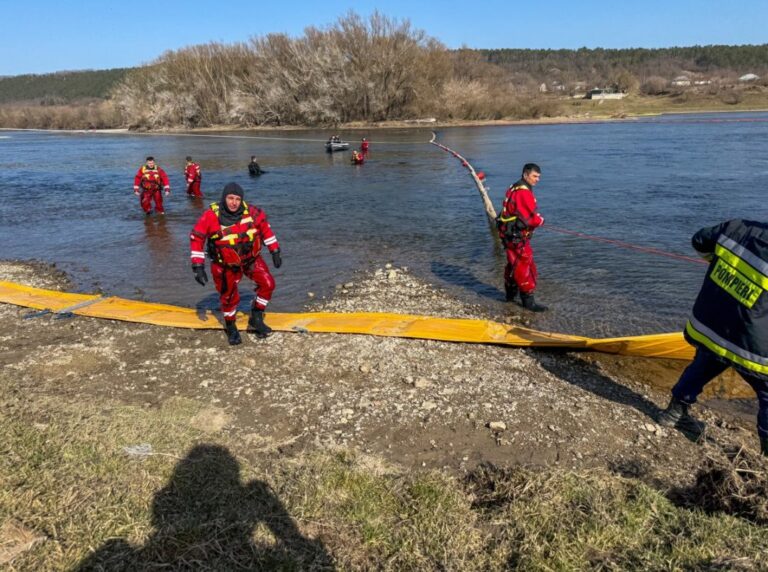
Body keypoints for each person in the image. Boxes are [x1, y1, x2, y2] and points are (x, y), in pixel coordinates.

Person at [658, 219, 768, 456]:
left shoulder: (736, 227)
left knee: (705, 362)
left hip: (712, 327)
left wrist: (721, 266)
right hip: (751, 346)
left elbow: (700, 241)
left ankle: (674, 413)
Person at [189, 182, 282, 345]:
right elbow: (197, 238)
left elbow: (266, 230)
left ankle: (256, 317)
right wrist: (198, 266)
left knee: (268, 284)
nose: (234, 203)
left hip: (250, 260)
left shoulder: (253, 212)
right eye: (230, 198)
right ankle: (231, 325)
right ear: (224, 198)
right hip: (224, 265)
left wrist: (275, 250)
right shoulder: (211, 216)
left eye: (238, 199)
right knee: (229, 297)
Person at [497, 163, 547, 311]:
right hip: (516, 237)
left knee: (513, 264)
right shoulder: (524, 192)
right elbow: (530, 218)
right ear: (525, 175)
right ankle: (528, 301)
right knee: (524, 265)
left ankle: (510, 296)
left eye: (538, 177)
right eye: (534, 176)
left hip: (508, 234)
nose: (537, 179)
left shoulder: (515, 187)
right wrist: (540, 220)